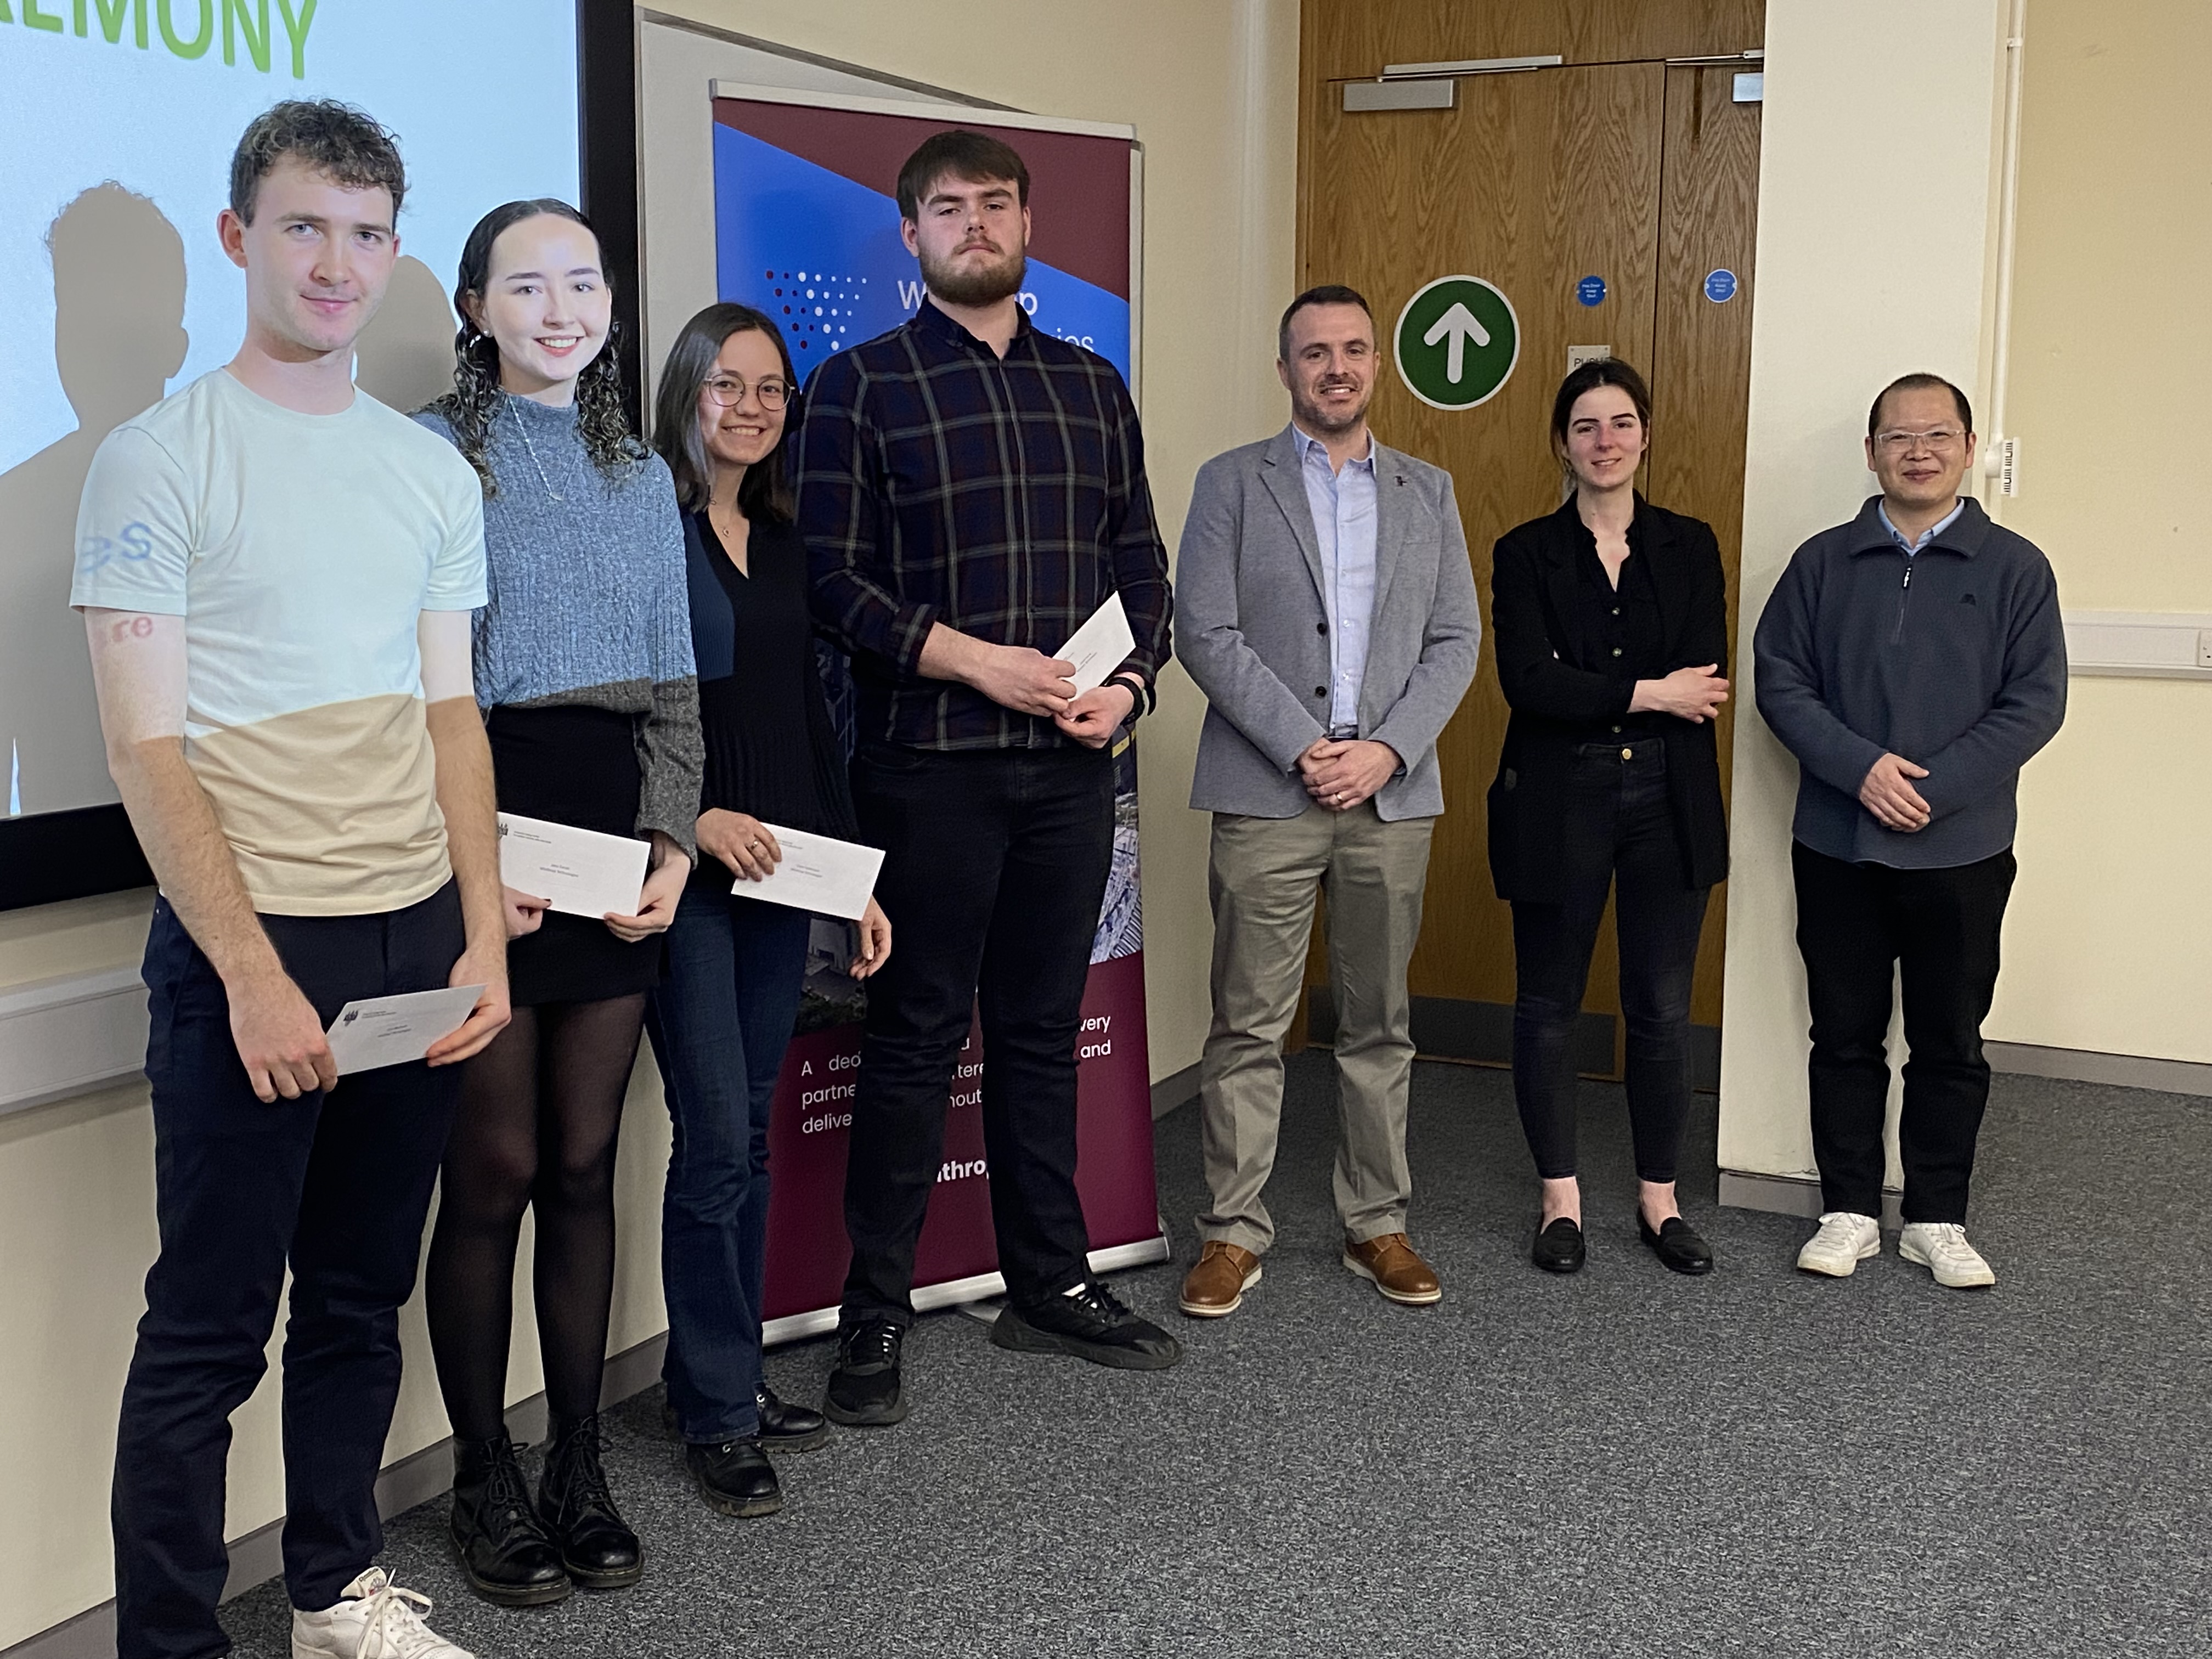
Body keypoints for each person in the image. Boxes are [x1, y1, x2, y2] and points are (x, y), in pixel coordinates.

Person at [74, 101, 504, 1659]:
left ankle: (332, 1590)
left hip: (413, 943)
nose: (340, 263)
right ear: (240, 236)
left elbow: (450, 716)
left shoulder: (428, 475)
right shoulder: (156, 458)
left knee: (356, 1299)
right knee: (206, 1334)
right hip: (248, 951)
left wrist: (484, 942)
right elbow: (145, 751)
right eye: (308, 226)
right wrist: (252, 972)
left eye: (370, 233)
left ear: (398, 255)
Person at [797, 127, 1180, 1424]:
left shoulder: (1093, 388)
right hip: (931, 770)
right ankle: (874, 1313)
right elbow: (831, 585)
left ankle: (1052, 1284)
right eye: (948, 208)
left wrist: (1125, 691)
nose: (975, 224)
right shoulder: (857, 386)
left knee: (1038, 1035)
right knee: (911, 1039)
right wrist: (973, 663)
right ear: (910, 236)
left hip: (1073, 777)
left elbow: (1144, 574)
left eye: (996, 204)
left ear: (1028, 228)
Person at [415, 200, 701, 1604]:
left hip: (609, 836)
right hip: (486, 828)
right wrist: (479, 866)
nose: (559, 307)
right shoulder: (427, 455)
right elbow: (420, 697)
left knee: (588, 1165)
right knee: (497, 1171)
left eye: (581, 282)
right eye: (525, 286)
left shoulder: (640, 469)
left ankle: (580, 1463)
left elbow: (674, 687)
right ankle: (485, 1475)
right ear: (476, 307)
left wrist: (670, 846)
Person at [1171, 284, 1480, 1318]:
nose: (1335, 367)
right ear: (1286, 369)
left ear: (1376, 365)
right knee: (1249, 1022)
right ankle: (1232, 1232)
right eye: (1315, 352)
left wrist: (1385, 750)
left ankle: (1377, 1223)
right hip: (1269, 791)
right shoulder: (1231, 483)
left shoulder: (1429, 491)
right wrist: (1310, 747)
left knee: (1378, 1020)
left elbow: (1456, 642)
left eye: (1353, 349)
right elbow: (1204, 633)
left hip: (1389, 799)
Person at [644, 302, 893, 1515]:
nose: (751, 407)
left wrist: (856, 883)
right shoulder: (650, 533)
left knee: (748, 1134)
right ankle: (711, 1403)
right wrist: (687, 824)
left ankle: (730, 1382)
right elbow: (633, 716)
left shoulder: (785, 543)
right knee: (715, 1144)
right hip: (686, 882)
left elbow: (808, 728)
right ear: (685, 392)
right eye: (727, 385)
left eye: (771, 389)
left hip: (785, 878)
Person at [1754, 372, 2065, 1289]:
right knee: (1843, 1032)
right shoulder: (1820, 563)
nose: (1918, 451)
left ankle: (1937, 1213)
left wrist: (1933, 788)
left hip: (1963, 851)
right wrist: (1862, 772)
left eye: (1937, 435)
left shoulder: (2016, 568)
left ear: (1969, 449)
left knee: (1950, 1038)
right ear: (1871, 451)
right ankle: (1848, 1208)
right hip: (1839, 845)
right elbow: (1782, 682)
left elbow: (2035, 704)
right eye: (1898, 437)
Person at [1488, 358, 1731, 1278]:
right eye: (1586, 426)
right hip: (1562, 797)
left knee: (1662, 1009)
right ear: (1563, 442)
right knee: (1549, 1004)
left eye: (1622, 423)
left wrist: (1626, 694)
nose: (1605, 441)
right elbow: (1530, 683)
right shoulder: (1526, 552)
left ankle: (1659, 1203)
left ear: (1646, 436)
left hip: (1668, 799)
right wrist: (1647, 691)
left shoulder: (1692, 544)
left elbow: (1702, 685)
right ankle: (1562, 1201)